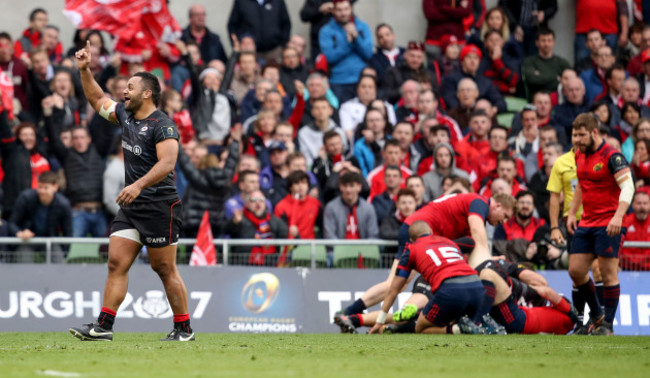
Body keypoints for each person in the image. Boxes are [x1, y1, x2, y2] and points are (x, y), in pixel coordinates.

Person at [69, 42, 194, 342]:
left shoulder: (163, 125)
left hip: (159, 206)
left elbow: (168, 163)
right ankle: (103, 326)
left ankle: (184, 329)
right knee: (116, 263)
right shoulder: (126, 116)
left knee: (164, 269)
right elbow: (97, 98)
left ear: (147, 93)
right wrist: (85, 70)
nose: (124, 91)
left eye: (130, 87)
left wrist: (137, 185)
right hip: (132, 207)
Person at [337, 192, 515, 318]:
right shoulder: (479, 203)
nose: (503, 222)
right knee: (396, 283)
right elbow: (477, 232)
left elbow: (472, 241)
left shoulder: (475, 205)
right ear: (497, 205)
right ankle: (352, 311)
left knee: (396, 283)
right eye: (505, 216)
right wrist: (487, 261)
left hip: (421, 233)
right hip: (418, 232)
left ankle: (352, 311)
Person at [566, 113, 633, 336]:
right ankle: (597, 314)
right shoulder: (578, 154)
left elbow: (628, 187)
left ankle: (607, 326)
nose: (577, 140)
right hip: (587, 222)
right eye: (575, 135)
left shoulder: (612, 157)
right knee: (575, 271)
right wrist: (573, 212)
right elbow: (582, 186)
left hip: (609, 222)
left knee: (607, 273)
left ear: (594, 132)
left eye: (581, 135)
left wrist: (618, 216)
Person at [368, 222, 500, 335]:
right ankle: (480, 324)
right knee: (450, 317)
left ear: (411, 239)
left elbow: (394, 289)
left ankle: (458, 329)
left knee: (420, 327)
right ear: (431, 231)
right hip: (477, 286)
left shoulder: (411, 249)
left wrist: (380, 321)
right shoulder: (448, 242)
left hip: (451, 289)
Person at [474, 258, 577, 334]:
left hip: (517, 318)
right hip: (516, 323)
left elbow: (548, 292)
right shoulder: (563, 327)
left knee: (487, 273)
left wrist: (527, 288)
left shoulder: (568, 314)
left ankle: (477, 322)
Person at [10, 171, 72, 263]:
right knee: (24, 262)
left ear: (55, 187)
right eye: (40, 187)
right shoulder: (26, 197)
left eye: (46, 188)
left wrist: (64, 252)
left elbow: (67, 231)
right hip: (27, 240)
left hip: (50, 240)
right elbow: (12, 223)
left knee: (58, 261)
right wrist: (19, 232)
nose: (42, 191)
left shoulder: (63, 204)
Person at [318, 0, 373, 103]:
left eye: (346, 9)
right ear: (333, 11)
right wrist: (348, 44)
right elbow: (329, 57)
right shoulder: (326, 31)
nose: (343, 13)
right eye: (339, 10)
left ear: (351, 9)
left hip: (360, 80)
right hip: (338, 82)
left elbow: (368, 54)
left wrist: (356, 38)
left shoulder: (363, 26)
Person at [226, 190, 289, 265]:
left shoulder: (274, 221)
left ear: (265, 203)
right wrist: (234, 223)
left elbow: (290, 238)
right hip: (243, 266)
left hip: (270, 266)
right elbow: (224, 231)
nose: (258, 203)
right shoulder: (240, 219)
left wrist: (293, 233)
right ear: (247, 204)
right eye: (254, 200)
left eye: (261, 200)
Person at [227, 0, 291, 61]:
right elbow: (232, 26)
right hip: (250, 53)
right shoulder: (241, 1)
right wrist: (237, 45)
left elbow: (286, 23)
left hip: (274, 50)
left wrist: (283, 45)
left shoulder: (277, 1)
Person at [323, 171, 378, 242]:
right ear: (340, 187)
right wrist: (343, 249)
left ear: (359, 187)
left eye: (351, 186)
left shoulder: (368, 208)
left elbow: (373, 235)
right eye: (345, 186)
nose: (348, 190)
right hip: (338, 251)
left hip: (363, 250)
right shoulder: (331, 207)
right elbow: (329, 236)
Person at [521, 28, 571, 100]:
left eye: (549, 40)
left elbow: (570, 81)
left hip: (558, 101)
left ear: (554, 42)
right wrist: (556, 79)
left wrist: (540, 75)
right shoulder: (529, 61)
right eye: (543, 40)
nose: (546, 44)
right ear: (537, 42)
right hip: (536, 101)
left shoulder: (562, 62)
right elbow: (532, 80)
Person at [274, 170, 322, 239]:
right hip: (289, 246)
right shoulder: (281, 206)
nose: (301, 186)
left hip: (310, 246)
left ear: (308, 186)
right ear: (290, 187)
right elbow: (277, 230)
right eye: (297, 183)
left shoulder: (315, 204)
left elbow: (323, 226)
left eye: (304, 183)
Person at [620, 190, 650, 270]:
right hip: (626, 268)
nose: (642, 206)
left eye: (645, 203)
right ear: (632, 205)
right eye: (639, 203)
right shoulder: (625, 221)